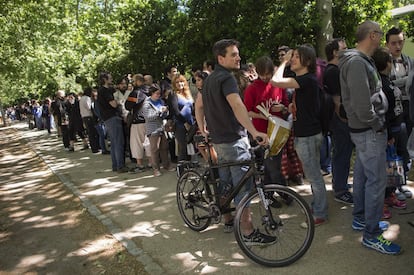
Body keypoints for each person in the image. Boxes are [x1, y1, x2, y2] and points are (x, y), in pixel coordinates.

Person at [195, 39, 273, 245]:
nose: (238, 57)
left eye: (238, 54)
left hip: (219, 140)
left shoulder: (210, 79)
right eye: (233, 54)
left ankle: (228, 219)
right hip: (233, 140)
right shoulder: (227, 79)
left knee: (227, 182)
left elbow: (199, 105)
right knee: (243, 188)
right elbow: (238, 106)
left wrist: (202, 128)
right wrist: (254, 131)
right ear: (221, 58)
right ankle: (248, 233)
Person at [339, 20, 401, 255]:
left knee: (365, 177)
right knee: (377, 182)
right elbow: (363, 107)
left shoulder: (358, 61)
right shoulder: (356, 63)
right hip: (368, 131)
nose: (382, 40)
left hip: (365, 131)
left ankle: (361, 219)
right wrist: (377, 125)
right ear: (373, 35)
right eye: (381, 35)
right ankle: (372, 234)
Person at [271, 44, 328, 226]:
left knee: (314, 176)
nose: (292, 59)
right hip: (307, 134)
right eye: (292, 56)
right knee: (313, 174)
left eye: (296, 56)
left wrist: (284, 63)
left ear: (308, 61)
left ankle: (319, 214)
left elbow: (275, 81)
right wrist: (289, 108)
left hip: (307, 136)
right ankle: (317, 205)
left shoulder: (307, 80)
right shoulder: (304, 80)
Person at [243, 56, 289, 196]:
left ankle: (268, 195)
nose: (265, 77)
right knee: (271, 165)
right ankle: (285, 194)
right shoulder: (252, 89)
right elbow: (247, 111)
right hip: (261, 132)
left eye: (267, 74)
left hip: (278, 130)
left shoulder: (277, 85)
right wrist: (262, 115)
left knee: (272, 165)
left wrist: (282, 107)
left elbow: (286, 105)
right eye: (262, 74)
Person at [372, 47, 407, 219]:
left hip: (397, 128)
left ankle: (391, 194)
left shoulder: (388, 81)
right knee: (386, 168)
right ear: (387, 63)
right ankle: (383, 200)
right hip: (388, 132)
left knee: (395, 165)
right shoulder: (381, 85)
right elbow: (382, 112)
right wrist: (389, 136)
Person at [323, 38, 354, 205]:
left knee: (342, 154)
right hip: (340, 120)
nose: (347, 49)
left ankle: (340, 184)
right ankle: (340, 190)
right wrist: (346, 119)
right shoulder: (333, 71)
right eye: (344, 47)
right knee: (342, 154)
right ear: (335, 52)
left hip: (340, 120)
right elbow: (337, 101)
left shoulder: (334, 70)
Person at [385, 26, 414, 200]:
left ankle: (401, 183)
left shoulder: (409, 60)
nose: (398, 46)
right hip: (392, 111)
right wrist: (406, 80)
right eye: (394, 43)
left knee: (406, 148)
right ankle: (392, 187)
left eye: (400, 42)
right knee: (393, 147)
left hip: (408, 108)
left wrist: (400, 82)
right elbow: (389, 84)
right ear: (387, 44)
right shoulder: (383, 62)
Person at [97, 72, 128, 173]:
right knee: (118, 142)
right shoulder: (105, 91)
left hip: (107, 119)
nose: (112, 78)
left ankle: (116, 165)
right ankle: (120, 166)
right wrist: (120, 101)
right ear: (105, 79)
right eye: (110, 77)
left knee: (114, 142)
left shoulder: (102, 91)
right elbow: (114, 104)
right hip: (112, 117)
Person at [142, 84, 175, 177]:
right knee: (154, 149)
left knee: (164, 147)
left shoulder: (160, 101)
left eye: (159, 94)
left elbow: (165, 112)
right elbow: (148, 117)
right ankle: (156, 168)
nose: (158, 95)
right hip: (152, 129)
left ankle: (166, 165)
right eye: (157, 93)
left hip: (161, 127)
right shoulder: (146, 103)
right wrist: (160, 111)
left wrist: (165, 112)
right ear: (152, 93)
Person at [125, 74, 151, 173]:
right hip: (150, 120)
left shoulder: (135, 93)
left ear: (137, 81)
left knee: (137, 143)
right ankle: (151, 162)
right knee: (149, 143)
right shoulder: (150, 90)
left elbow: (128, 106)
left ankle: (139, 164)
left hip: (138, 121)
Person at [171, 74, 195, 161]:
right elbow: (175, 111)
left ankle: (191, 168)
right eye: (177, 82)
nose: (179, 84)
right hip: (180, 125)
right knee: (183, 148)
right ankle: (182, 171)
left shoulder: (188, 94)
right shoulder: (173, 95)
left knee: (192, 146)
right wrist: (185, 123)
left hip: (191, 123)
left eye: (181, 81)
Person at [79, 87, 100, 153]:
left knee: (90, 132)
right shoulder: (87, 98)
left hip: (84, 117)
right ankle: (95, 147)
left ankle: (94, 147)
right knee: (92, 133)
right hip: (89, 116)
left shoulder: (82, 98)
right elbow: (89, 107)